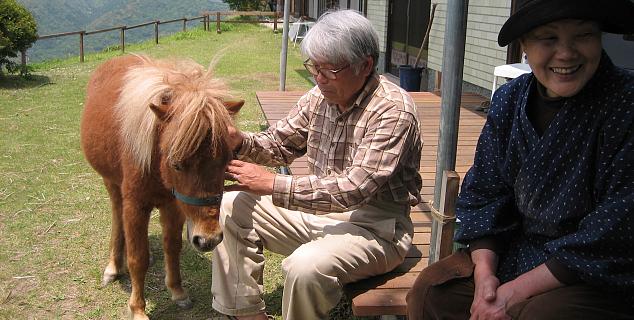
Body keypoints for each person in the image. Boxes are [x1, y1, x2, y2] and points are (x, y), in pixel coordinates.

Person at [405, 0, 634, 319]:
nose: (566, 53)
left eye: (583, 35)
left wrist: (514, 292)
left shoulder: (625, 103)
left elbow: (618, 224)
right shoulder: (509, 100)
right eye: (548, 38)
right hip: (518, 247)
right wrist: (486, 278)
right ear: (524, 45)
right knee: (433, 291)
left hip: (593, 269)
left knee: (536, 314)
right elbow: (485, 192)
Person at [212, 10, 423, 320]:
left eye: (329, 69)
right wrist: (239, 141)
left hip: (377, 229)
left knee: (305, 267)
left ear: (365, 65)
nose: (319, 78)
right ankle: (246, 313)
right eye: (314, 67)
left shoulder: (393, 111)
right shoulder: (319, 97)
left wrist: (273, 184)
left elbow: (355, 188)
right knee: (228, 206)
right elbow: (280, 145)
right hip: (317, 213)